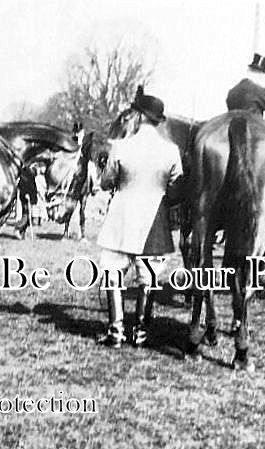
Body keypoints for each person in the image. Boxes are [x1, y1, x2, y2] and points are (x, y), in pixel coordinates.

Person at [96, 92, 183, 348]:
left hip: (122, 215)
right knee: (149, 277)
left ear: (140, 116)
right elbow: (177, 186)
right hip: (155, 218)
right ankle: (141, 332)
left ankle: (116, 332)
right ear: (157, 120)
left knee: (114, 272)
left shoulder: (121, 147)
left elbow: (106, 182)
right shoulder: (171, 150)